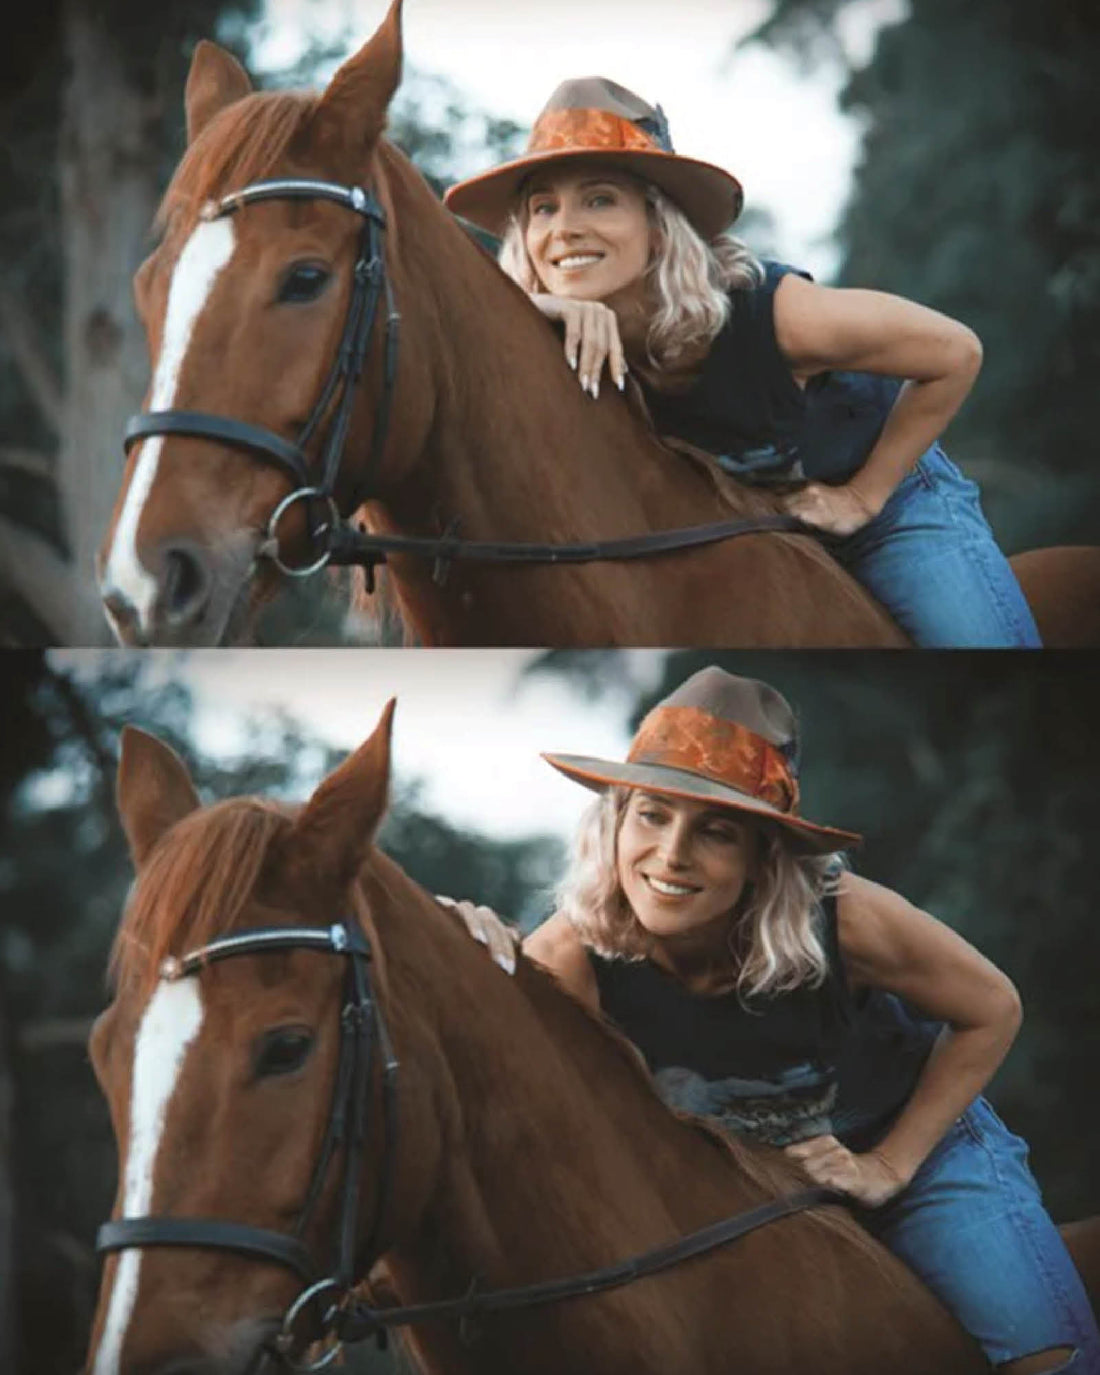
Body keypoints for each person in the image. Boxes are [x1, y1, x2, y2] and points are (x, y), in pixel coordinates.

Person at [447, 666, 1097, 1373]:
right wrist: (462, 949)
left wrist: (888, 1164)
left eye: (716, 831)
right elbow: (489, 1063)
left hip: (917, 1156)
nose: (671, 854)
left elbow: (993, 1009)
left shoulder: (844, 916)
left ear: (763, 855)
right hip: (744, 1191)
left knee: (1049, 1356)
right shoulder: (574, 951)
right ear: (615, 824)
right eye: (652, 815)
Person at [444, 79, 1041, 648]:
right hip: (751, 529)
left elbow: (955, 351)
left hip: (890, 508)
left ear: (658, 224)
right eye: (543, 209)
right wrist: (530, 312)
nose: (565, 230)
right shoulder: (546, 340)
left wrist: (862, 497)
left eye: (599, 200)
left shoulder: (776, 315)